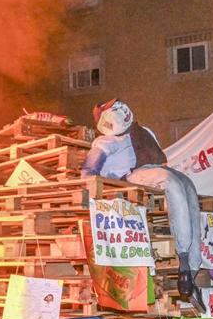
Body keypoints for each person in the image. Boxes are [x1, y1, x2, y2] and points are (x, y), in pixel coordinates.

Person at [82, 99, 202, 306]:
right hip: (128, 178)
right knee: (171, 181)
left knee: (188, 185)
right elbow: (88, 172)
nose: (120, 111)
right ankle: (184, 259)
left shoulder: (143, 131)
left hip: (150, 169)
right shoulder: (105, 143)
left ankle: (192, 267)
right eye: (113, 110)